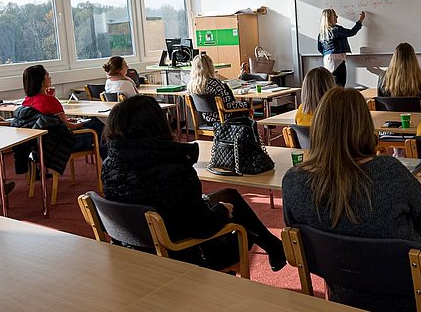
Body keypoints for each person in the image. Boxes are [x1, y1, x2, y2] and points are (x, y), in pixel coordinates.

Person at [282, 87, 421, 312]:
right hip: (417, 302)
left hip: (344, 295)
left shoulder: (293, 182)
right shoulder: (390, 172)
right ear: (365, 126)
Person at [101, 95, 286, 272]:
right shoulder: (172, 171)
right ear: (157, 126)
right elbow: (202, 228)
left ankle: (274, 247)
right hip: (185, 254)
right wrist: (222, 210)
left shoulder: (109, 165)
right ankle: (274, 247)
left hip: (134, 252)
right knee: (238, 221)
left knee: (229, 195)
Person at [11, 65, 104, 173]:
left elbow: (49, 122)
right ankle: (107, 160)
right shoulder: (50, 101)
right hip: (60, 145)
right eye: (47, 75)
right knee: (98, 127)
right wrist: (80, 123)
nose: (50, 78)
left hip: (41, 144)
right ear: (41, 81)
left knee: (95, 125)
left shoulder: (26, 102)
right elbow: (69, 126)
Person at [187, 54, 248, 123]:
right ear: (210, 66)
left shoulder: (191, 86)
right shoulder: (215, 83)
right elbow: (228, 105)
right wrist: (245, 104)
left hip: (207, 119)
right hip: (223, 119)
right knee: (247, 108)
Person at [317, 9, 365, 87]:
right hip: (338, 60)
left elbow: (319, 48)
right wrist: (360, 21)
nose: (337, 17)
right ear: (330, 18)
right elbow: (351, 32)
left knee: (331, 84)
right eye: (335, 15)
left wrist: (328, 54)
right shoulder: (336, 29)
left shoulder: (322, 33)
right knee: (340, 84)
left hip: (327, 60)